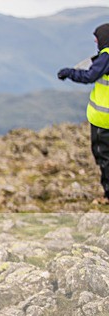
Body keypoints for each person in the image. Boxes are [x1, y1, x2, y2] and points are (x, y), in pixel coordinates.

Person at [58, 23, 109, 205]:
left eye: (97, 37)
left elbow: (89, 77)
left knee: (104, 157)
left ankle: (108, 195)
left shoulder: (106, 57)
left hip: (104, 121)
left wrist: (69, 73)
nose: (95, 40)